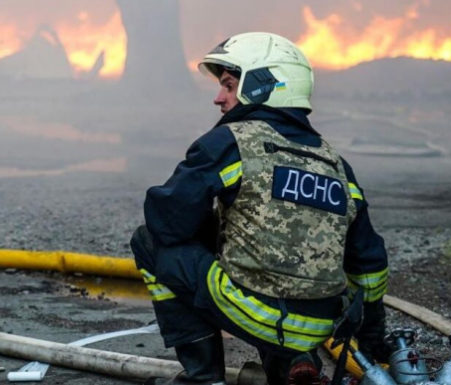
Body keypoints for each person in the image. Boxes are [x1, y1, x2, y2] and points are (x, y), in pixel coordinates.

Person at [130, 32, 390, 385]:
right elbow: (369, 262)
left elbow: (166, 221)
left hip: (259, 315)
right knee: (262, 253)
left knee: (149, 242)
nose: (218, 98)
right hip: (320, 326)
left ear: (264, 84)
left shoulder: (230, 142)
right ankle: (295, 364)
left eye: (229, 84)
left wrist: (211, 231)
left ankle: (203, 378)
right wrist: (372, 341)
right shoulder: (336, 164)